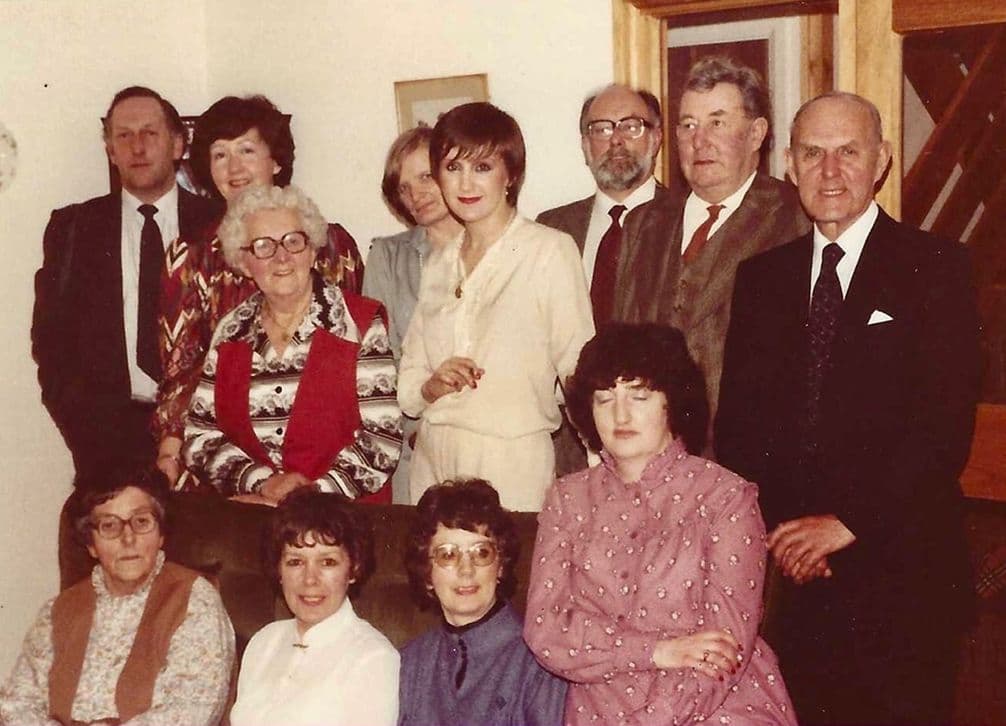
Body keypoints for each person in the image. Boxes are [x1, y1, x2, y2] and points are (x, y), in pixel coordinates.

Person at [715, 92, 981, 725]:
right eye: (813, 153)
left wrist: (845, 524)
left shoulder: (938, 269)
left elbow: (942, 431)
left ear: (881, 161)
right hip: (799, 585)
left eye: (848, 153)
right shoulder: (762, 280)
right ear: (789, 164)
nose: (829, 172)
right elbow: (739, 429)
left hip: (905, 580)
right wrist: (790, 535)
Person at [524, 324, 796, 726]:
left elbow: (724, 648)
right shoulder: (567, 499)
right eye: (604, 399)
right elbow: (545, 631)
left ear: (672, 401)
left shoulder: (726, 497)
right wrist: (656, 651)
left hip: (718, 707)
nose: (620, 415)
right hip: (600, 711)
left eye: (639, 396)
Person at [155, 95, 364, 486]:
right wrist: (170, 449)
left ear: (277, 161)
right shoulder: (189, 256)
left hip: (321, 455)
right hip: (223, 454)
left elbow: (355, 357)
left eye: (247, 150)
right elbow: (180, 371)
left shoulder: (333, 245)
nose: (234, 168)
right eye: (220, 155)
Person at [397, 102, 594, 512]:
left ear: (511, 174)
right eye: (452, 168)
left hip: (512, 459)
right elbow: (409, 386)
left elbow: (578, 368)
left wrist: (603, 463)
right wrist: (433, 384)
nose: (465, 182)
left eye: (482, 167)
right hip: (434, 459)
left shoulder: (549, 251)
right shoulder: (439, 262)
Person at [31, 86, 222, 480]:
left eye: (150, 133)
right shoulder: (73, 229)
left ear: (176, 144)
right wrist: (82, 428)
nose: (138, 147)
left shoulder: (217, 223)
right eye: (124, 135)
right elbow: (50, 340)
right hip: (104, 439)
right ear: (110, 150)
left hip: (204, 432)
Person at [183, 184, 401, 504]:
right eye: (263, 246)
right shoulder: (230, 333)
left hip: (343, 524)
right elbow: (199, 439)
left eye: (293, 242)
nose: (281, 257)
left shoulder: (360, 325)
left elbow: (381, 442)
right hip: (255, 522)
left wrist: (305, 498)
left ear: (312, 251)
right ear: (243, 262)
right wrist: (262, 483)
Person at [0, 465, 234, 725]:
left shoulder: (194, 599)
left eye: (141, 521)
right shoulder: (57, 612)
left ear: (161, 534)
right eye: (109, 525)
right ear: (90, 544)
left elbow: (191, 711)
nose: (128, 538)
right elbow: (18, 704)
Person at [399, 479, 568, 726]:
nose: (466, 570)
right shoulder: (410, 663)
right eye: (448, 554)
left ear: (500, 565)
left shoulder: (538, 662)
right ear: (426, 572)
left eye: (481, 553)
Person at [230, 488, 399, 726]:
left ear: (353, 569)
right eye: (295, 562)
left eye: (328, 562)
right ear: (278, 570)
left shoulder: (374, 658)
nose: (310, 579)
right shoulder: (264, 641)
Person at [365, 126, 464, 503]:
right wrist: (414, 428)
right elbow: (378, 360)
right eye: (404, 187)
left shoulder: (498, 250)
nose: (415, 195)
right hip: (416, 443)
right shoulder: (387, 256)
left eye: (425, 177)